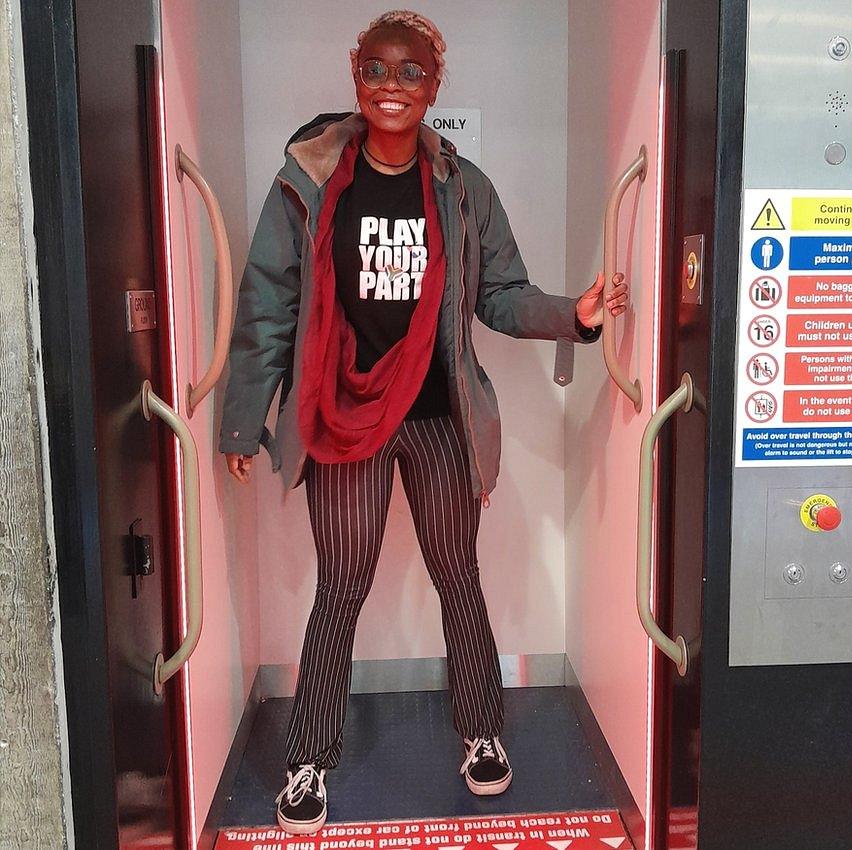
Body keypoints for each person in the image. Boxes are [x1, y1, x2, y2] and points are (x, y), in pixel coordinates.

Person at [218, 10, 629, 836]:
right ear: (354, 72)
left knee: (457, 575)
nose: (393, 86)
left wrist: (574, 316)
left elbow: (500, 295)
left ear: (436, 85)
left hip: (439, 416)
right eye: (378, 69)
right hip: (340, 417)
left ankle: (480, 733)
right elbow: (268, 302)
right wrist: (241, 420)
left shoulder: (462, 187)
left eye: (411, 73)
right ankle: (308, 760)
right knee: (343, 586)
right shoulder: (307, 178)